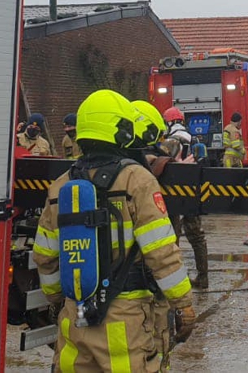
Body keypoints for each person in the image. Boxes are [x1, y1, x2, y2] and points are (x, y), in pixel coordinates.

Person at [32, 90, 196, 372]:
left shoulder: (61, 185)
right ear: (122, 131)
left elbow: (45, 255)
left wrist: (58, 299)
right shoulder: (136, 180)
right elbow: (162, 252)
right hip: (126, 320)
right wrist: (183, 304)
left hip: (76, 315)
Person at [151, 107, 210, 290]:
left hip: (175, 194)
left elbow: (161, 163)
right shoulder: (193, 138)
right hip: (192, 192)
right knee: (196, 235)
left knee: (173, 236)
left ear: (169, 122)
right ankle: (202, 277)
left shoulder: (173, 140)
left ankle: (174, 280)